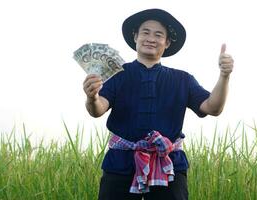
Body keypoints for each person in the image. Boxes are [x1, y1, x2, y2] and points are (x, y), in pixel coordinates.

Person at [82, 8, 234, 200]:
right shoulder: (117, 74)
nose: (151, 38)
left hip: (169, 164)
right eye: (145, 32)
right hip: (120, 164)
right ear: (135, 37)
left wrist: (224, 75)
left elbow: (213, 107)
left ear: (167, 43)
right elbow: (97, 109)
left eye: (158, 34)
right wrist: (92, 97)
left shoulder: (183, 79)